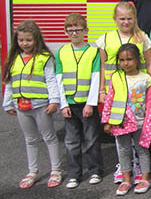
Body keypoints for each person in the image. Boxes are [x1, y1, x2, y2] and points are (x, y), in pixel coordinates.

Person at [2, 20, 64, 189]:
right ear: (17, 41)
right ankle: (33, 171)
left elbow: (51, 81)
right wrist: (7, 103)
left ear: (36, 39)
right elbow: (9, 82)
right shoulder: (14, 59)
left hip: (41, 105)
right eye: (21, 40)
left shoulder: (44, 59)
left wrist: (54, 101)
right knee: (30, 139)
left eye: (29, 40)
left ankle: (55, 171)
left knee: (49, 137)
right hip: (21, 106)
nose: (25, 44)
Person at [101, 44, 151, 195]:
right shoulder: (116, 77)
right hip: (120, 122)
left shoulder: (146, 78)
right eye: (122, 60)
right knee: (123, 150)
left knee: (142, 150)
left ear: (138, 59)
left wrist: (150, 123)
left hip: (140, 121)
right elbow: (110, 100)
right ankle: (126, 179)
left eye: (129, 59)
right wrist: (107, 121)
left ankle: (145, 177)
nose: (126, 63)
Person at [57, 13, 103, 189]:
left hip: (86, 104)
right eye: (71, 30)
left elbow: (96, 77)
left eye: (78, 30)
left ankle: (95, 171)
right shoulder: (62, 51)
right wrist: (63, 104)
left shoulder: (93, 52)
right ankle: (74, 174)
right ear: (66, 31)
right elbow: (58, 79)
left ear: (86, 31)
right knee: (71, 141)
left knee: (91, 139)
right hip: (69, 104)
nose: (74, 33)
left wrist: (91, 103)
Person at [96, 2, 151, 99]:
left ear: (135, 18)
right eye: (122, 19)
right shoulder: (105, 39)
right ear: (115, 19)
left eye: (129, 19)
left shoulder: (142, 37)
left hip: (138, 89)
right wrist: (101, 90)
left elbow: (149, 64)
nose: (126, 22)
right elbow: (102, 67)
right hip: (113, 89)